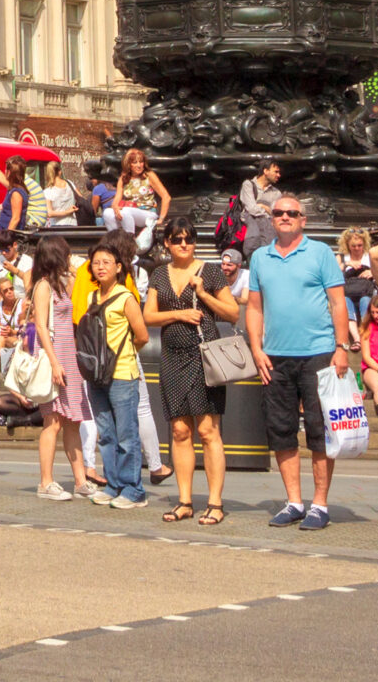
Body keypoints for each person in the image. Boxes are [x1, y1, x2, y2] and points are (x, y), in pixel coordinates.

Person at [245, 192, 350, 530]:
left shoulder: (319, 252)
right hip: (275, 356)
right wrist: (256, 349)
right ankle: (293, 501)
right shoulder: (260, 257)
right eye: (278, 213)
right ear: (271, 219)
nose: (285, 217)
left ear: (303, 219)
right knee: (281, 429)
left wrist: (342, 347)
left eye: (291, 213)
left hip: (318, 352)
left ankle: (320, 504)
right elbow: (255, 307)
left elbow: (337, 303)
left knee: (320, 432)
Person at [146, 220, 241, 525]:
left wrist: (204, 293)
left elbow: (232, 312)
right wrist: (179, 314)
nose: (184, 244)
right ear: (167, 244)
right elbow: (148, 315)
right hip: (172, 356)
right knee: (179, 430)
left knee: (207, 431)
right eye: (177, 240)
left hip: (203, 356)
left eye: (189, 239)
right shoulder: (159, 273)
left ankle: (215, 502)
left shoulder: (210, 271)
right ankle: (184, 501)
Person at [83, 232, 152, 509]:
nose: (100, 267)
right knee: (107, 433)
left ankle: (133, 489)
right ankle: (113, 485)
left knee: (126, 434)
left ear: (118, 267)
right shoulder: (90, 297)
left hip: (122, 373)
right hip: (96, 375)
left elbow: (142, 335)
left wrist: (124, 354)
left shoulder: (126, 297)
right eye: (96, 263)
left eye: (106, 262)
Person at [28, 232, 96, 501]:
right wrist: (55, 362)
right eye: (66, 253)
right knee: (53, 421)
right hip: (55, 356)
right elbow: (41, 326)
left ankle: (80, 480)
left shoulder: (60, 284)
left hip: (69, 356)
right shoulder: (43, 286)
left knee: (72, 421)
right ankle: (46, 482)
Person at [112, 149, 171, 249]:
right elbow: (116, 199)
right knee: (107, 213)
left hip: (147, 213)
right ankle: (114, 245)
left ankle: (130, 246)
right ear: (129, 164)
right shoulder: (124, 178)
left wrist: (161, 219)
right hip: (130, 213)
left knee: (125, 211)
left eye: (141, 162)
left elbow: (166, 197)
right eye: (135, 162)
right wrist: (115, 207)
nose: (139, 165)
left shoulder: (148, 176)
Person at [338, 227, 378, 339]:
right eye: (353, 246)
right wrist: (346, 264)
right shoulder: (341, 257)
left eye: (359, 245)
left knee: (365, 302)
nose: (356, 248)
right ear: (347, 245)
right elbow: (333, 273)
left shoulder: (370, 257)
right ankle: (357, 339)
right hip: (347, 292)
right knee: (345, 303)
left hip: (366, 291)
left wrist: (372, 272)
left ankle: (367, 336)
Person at [236, 162, 281, 256]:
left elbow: (275, 214)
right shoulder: (248, 185)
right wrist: (266, 209)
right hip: (250, 233)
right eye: (276, 172)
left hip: (268, 236)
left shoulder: (276, 193)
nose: (278, 175)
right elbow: (252, 208)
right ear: (266, 171)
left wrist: (261, 206)